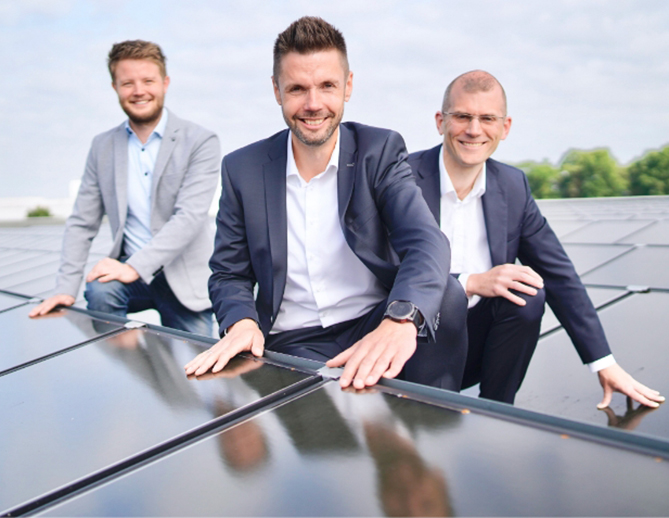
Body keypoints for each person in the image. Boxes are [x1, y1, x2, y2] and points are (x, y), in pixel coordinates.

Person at [185, 17, 468, 390]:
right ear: (276, 90)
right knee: (322, 442)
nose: (313, 104)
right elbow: (229, 273)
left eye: (327, 86)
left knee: (447, 295)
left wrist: (400, 319)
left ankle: (431, 425)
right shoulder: (242, 170)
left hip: (373, 321)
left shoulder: (378, 152)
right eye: (298, 88)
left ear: (348, 86)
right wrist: (242, 322)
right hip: (292, 341)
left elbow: (426, 242)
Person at [408, 70, 664, 408]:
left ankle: (498, 412)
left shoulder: (512, 186)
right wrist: (470, 282)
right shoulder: (403, 178)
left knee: (528, 292)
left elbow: (560, 275)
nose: (474, 130)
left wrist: (604, 363)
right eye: (463, 117)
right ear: (441, 121)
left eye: (487, 118)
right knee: (450, 299)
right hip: (413, 343)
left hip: (477, 350)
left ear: (505, 127)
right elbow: (389, 273)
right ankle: (423, 410)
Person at [29, 40, 220, 336]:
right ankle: (125, 369)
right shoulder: (102, 146)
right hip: (129, 279)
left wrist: (134, 266)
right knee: (100, 291)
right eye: (127, 83)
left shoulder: (200, 141)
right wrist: (65, 288)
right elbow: (82, 222)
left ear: (165, 83)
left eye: (147, 81)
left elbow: (189, 218)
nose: (138, 91)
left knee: (196, 376)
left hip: (183, 278)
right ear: (115, 87)